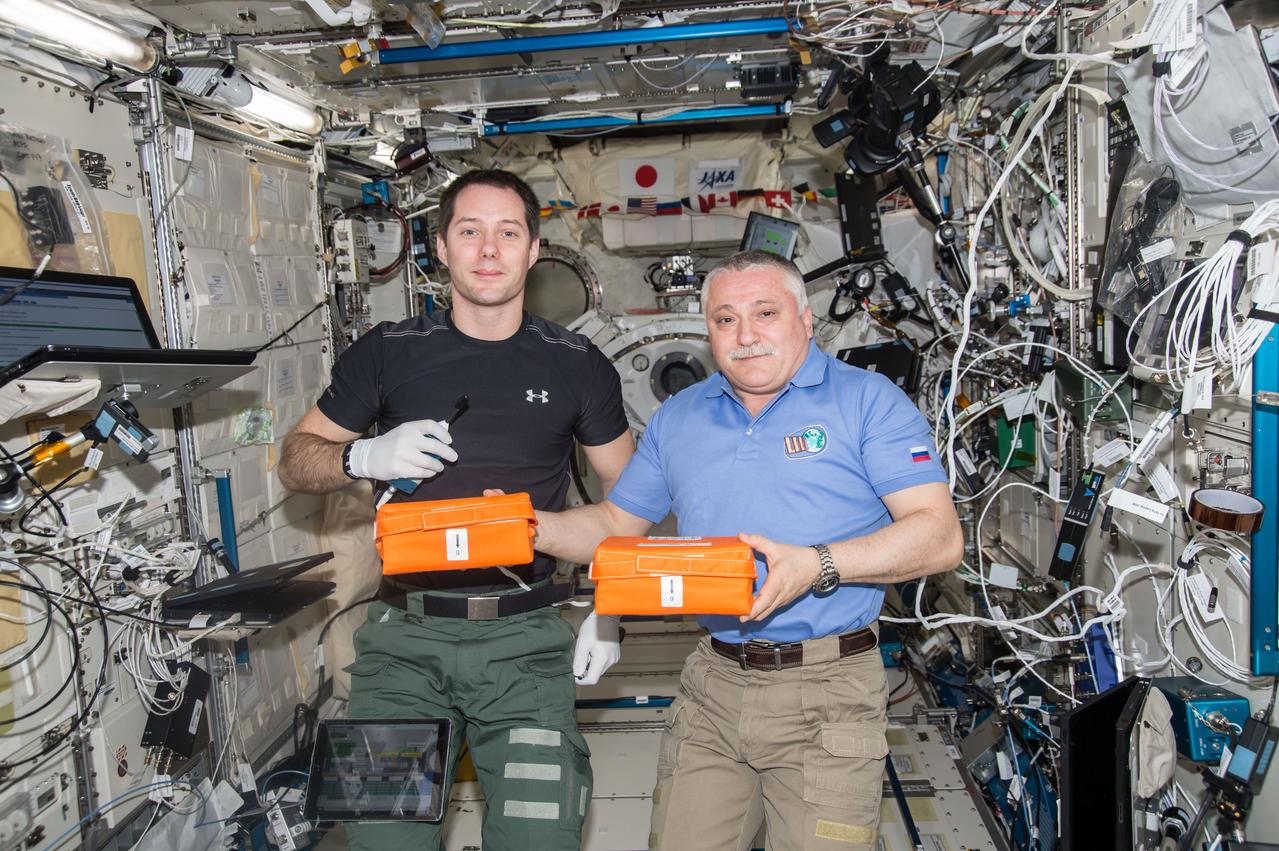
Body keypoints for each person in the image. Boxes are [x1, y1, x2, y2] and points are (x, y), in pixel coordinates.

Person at [532, 250, 963, 851]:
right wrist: (532, 528)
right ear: (707, 331)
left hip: (830, 688)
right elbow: (614, 523)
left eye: (765, 312)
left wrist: (817, 564)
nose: (745, 335)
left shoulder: (868, 402)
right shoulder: (680, 417)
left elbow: (939, 536)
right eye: (725, 319)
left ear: (804, 319)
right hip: (714, 681)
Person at [276, 169, 634, 851]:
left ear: (534, 250)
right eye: (470, 231)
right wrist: (363, 455)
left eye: (508, 232)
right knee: (383, 843)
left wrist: (611, 609)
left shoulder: (577, 364)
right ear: (440, 247)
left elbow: (631, 501)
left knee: (540, 841)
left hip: (526, 644)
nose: (489, 250)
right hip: (403, 644)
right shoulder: (388, 353)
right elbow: (296, 459)